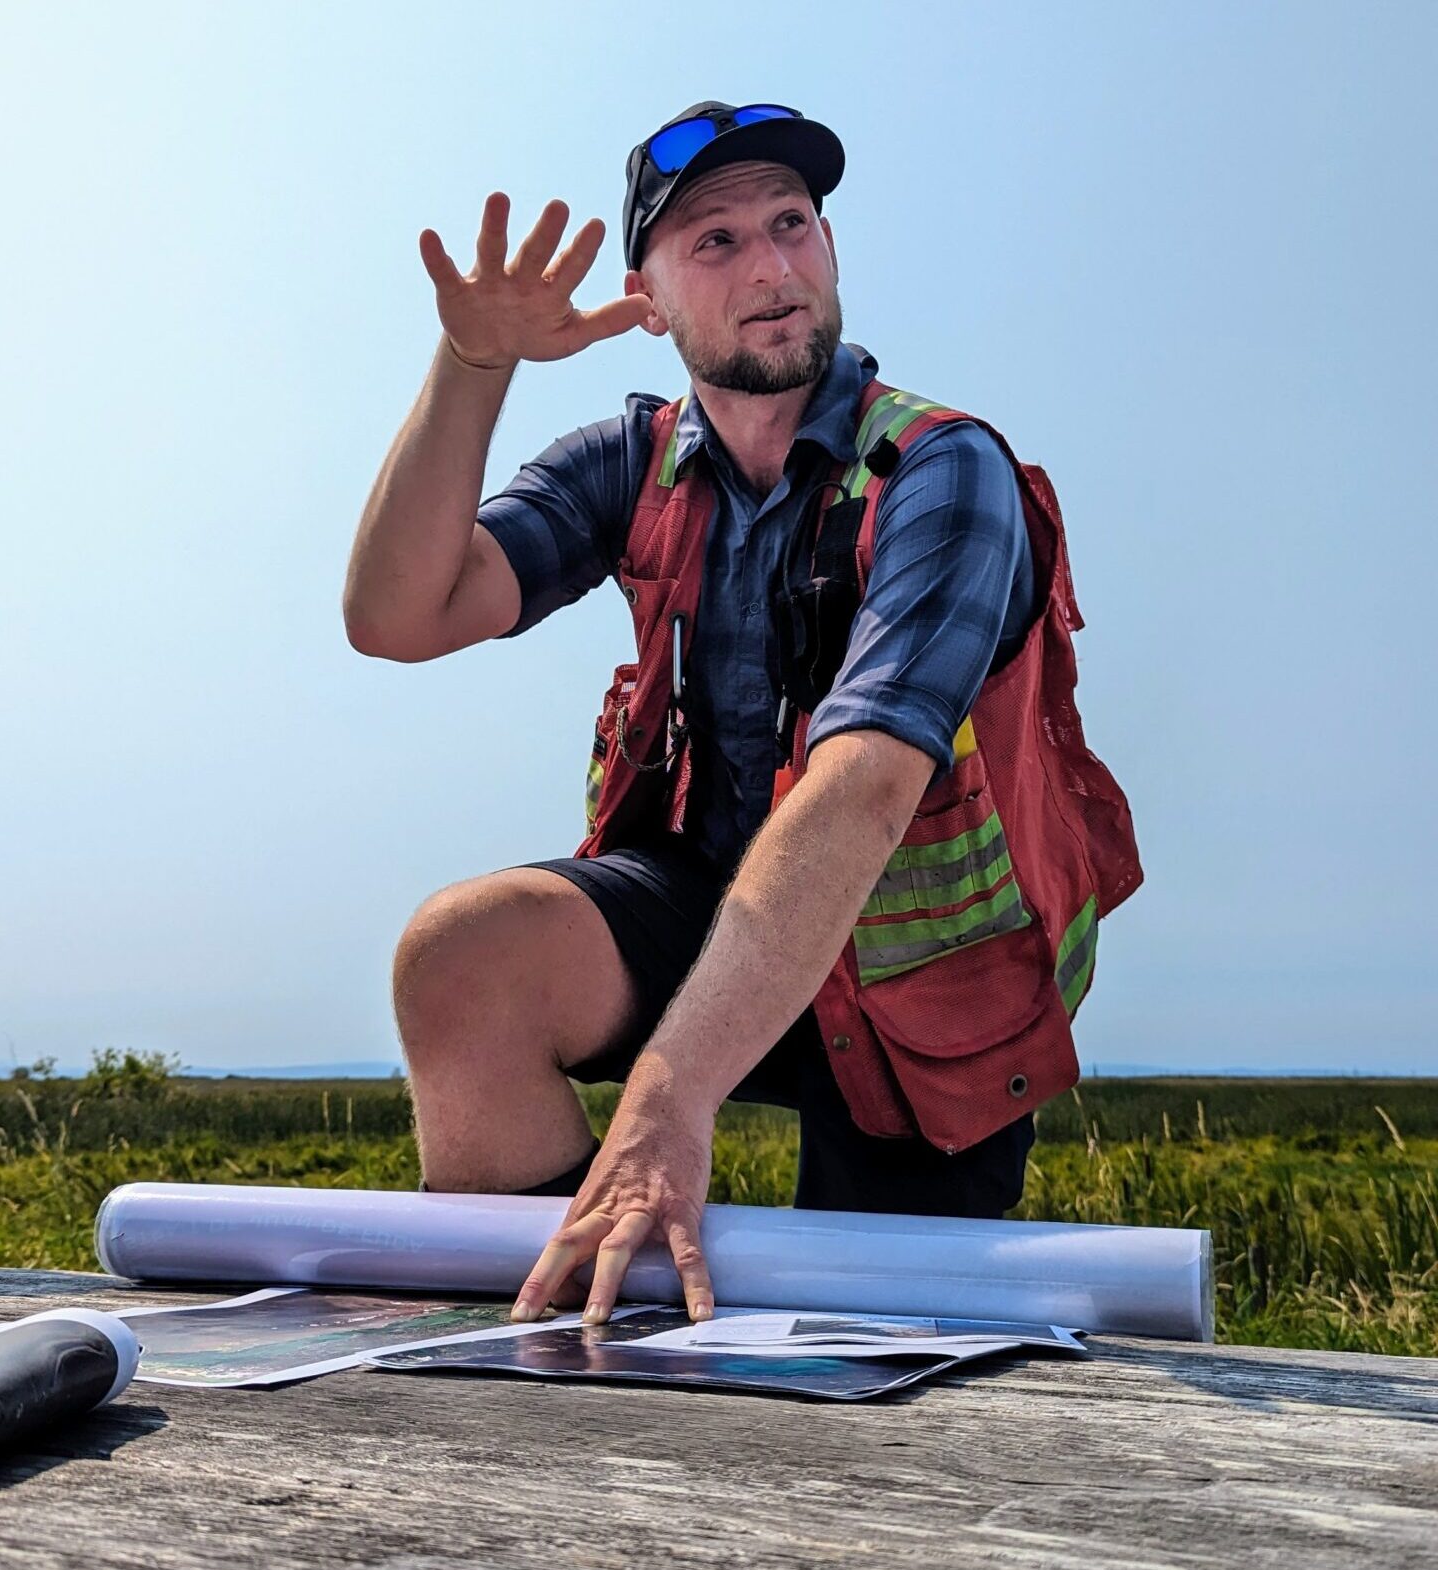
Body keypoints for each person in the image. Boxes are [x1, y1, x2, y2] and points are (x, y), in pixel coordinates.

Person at [342, 101, 1141, 1329]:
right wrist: (473, 362)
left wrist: (666, 1100)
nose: (771, 267)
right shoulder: (634, 462)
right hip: (713, 920)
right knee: (463, 958)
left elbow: (862, 788)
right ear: (647, 301)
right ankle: (559, 1352)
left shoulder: (939, 469)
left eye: (790, 224)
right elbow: (398, 615)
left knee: (863, 1358)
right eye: (715, 241)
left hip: (921, 981)